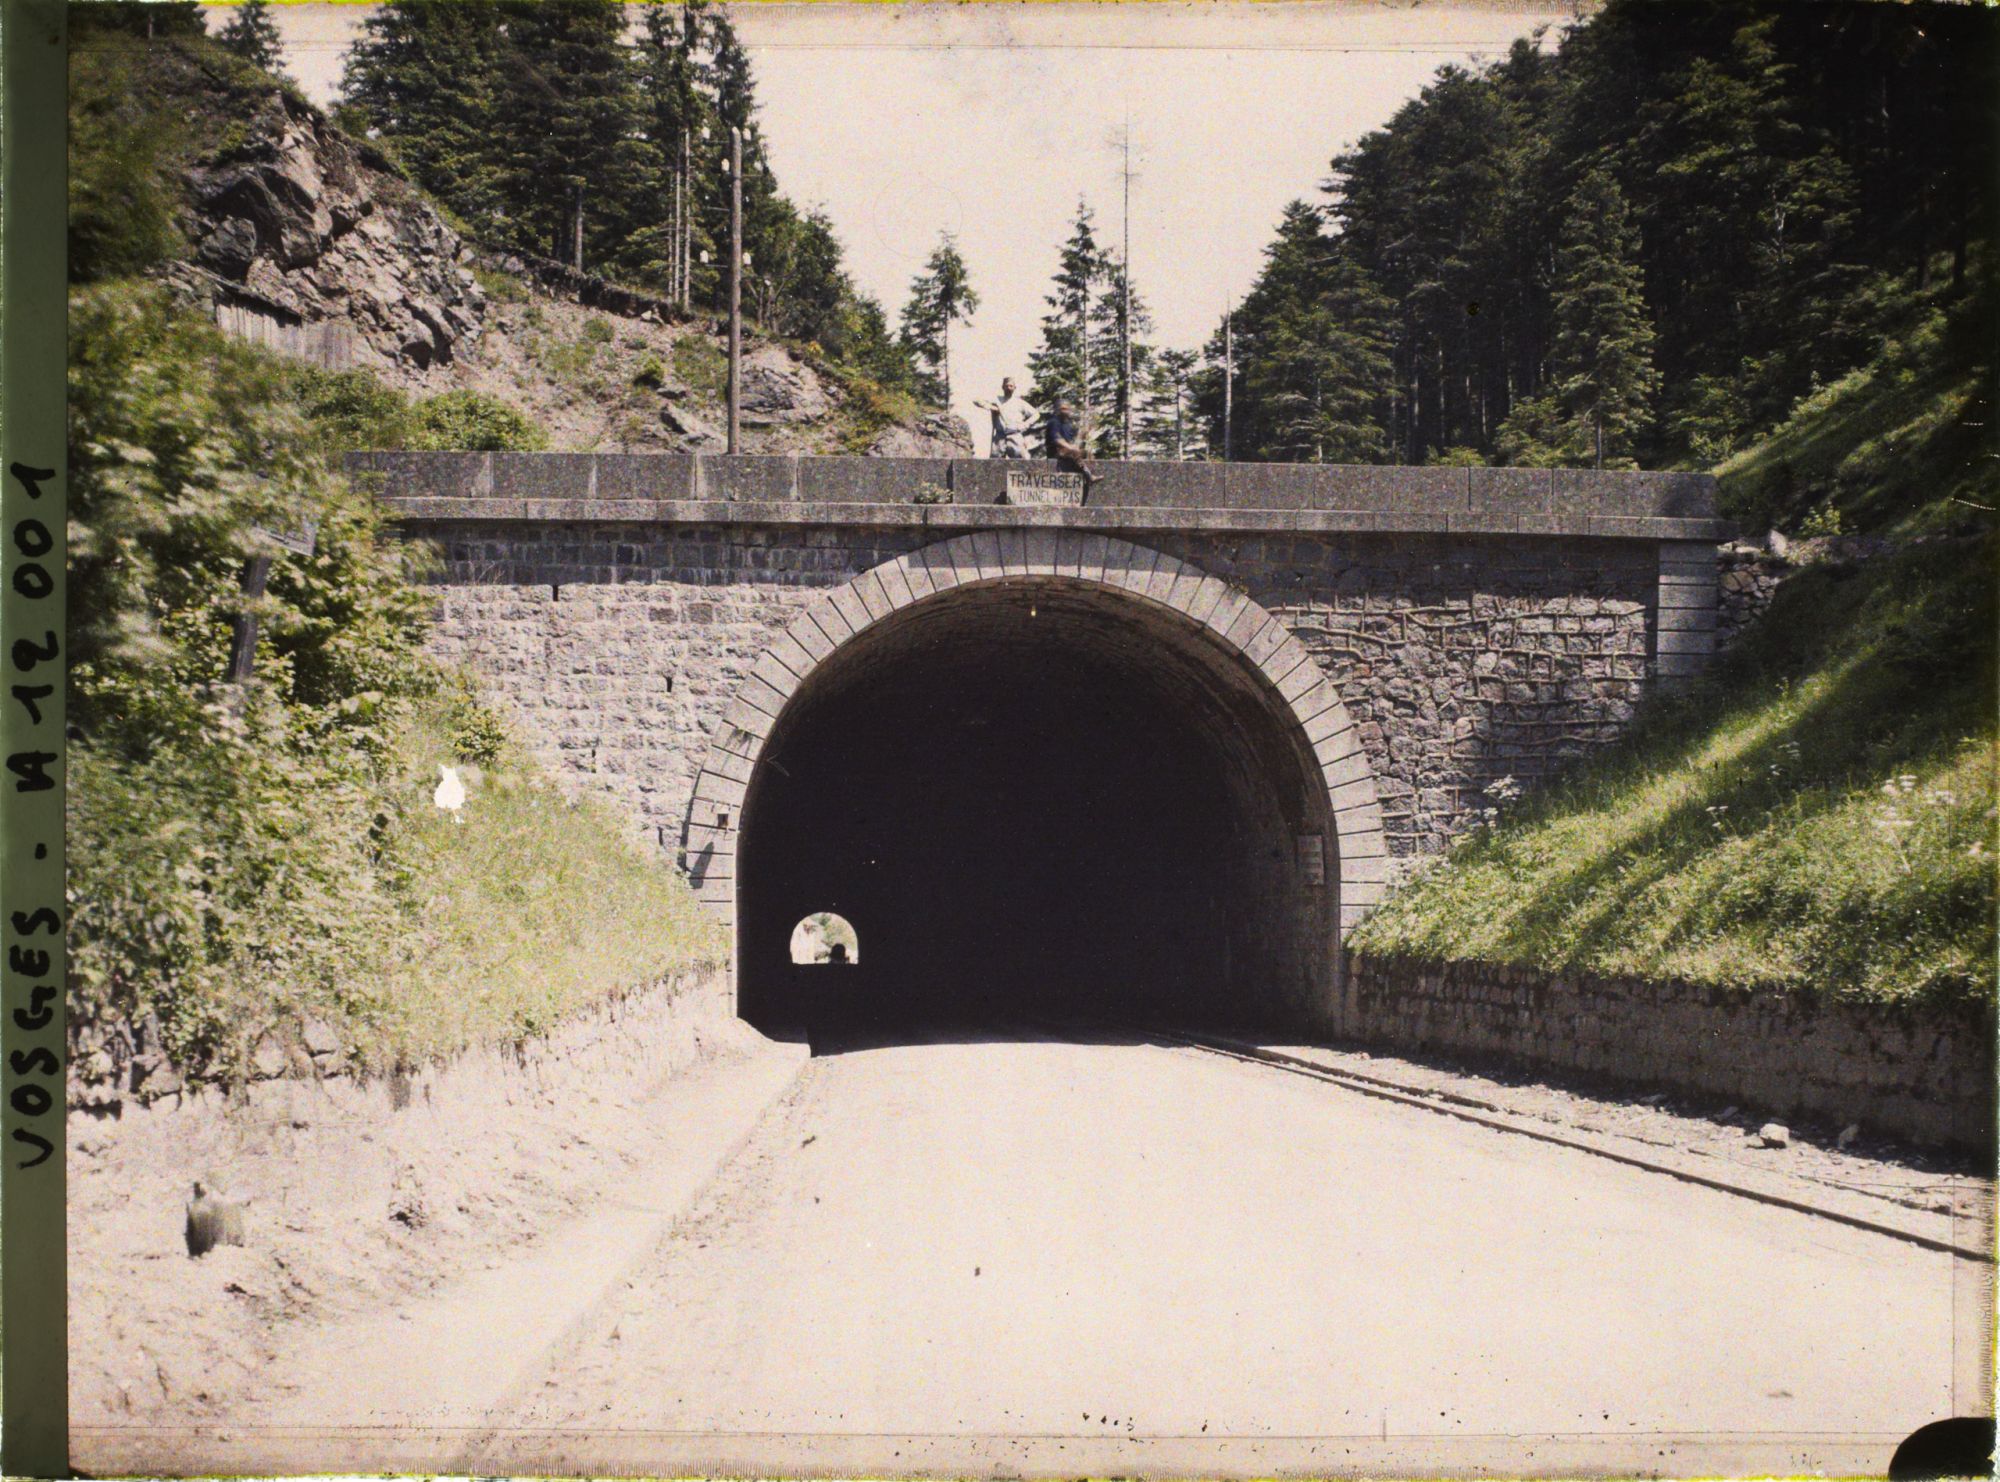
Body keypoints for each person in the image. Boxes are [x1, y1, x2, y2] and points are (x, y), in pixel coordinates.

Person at [1041, 397, 1106, 500]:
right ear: (1058, 409)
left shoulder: (1068, 424)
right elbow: (1057, 440)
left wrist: (1083, 436)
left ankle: (1088, 472)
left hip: (1066, 452)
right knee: (1074, 452)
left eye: (1067, 408)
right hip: (1055, 452)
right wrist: (1071, 448)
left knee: (1086, 452)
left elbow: (1074, 440)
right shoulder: (1054, 422)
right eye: (1063, 408)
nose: (1065, 411)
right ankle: (1089, 476)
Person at [972, 377, 1037, 459]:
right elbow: (976, 400)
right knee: (995, 463)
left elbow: (1036, 414)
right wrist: (990, 407)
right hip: (1000, 436)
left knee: (1022, 461)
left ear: (1014, 388)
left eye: (1011, 386)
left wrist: (1025, 425)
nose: (1008, 388)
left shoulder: (1020, 403)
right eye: (1006, 386)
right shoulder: (996, 400)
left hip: (1015, 435)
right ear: (1003, 387)